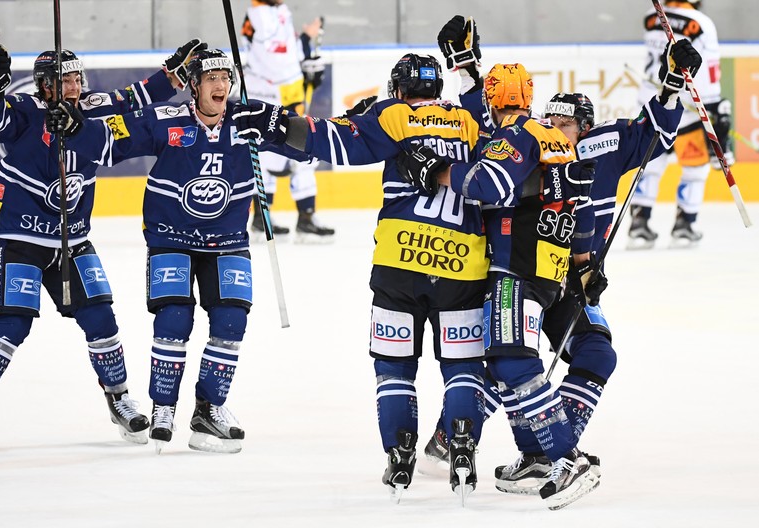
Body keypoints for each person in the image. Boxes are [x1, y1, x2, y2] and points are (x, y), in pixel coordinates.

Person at [234, 48, 490, 502]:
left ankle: (400, 451)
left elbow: (330, 140)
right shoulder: (469, 120)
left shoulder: (390, 115)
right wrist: (471, 68)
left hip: (400, 265)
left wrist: (272, 123)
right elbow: (495, 124)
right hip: (463, 267)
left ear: (399, 89)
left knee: (394, 368)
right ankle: (464, 446)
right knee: (462, 366)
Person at [0, 39, 202, 452]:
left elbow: (137, 95)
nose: (73, 85)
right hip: (20, 240)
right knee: (13, 324)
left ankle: (120, 400)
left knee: (102, 318)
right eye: (64, 80)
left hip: (73, 241)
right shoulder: (27, 113)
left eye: (76, 77)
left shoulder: (92, 108)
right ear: (45, 85)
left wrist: (172, 74)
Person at [54, 48, 311, 455]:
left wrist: (351, 122)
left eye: (225, 77)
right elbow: (109, 143)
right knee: (174, 318)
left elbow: (306, 144)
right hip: (170, 236)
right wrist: (76, 127)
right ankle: (163, 408)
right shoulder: (164, 120)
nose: (221, 85)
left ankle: (209, 409)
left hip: (228, 240)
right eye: (211, 78)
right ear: (193, 85)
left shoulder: (250, 119)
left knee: (230, 323)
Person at [396, 62, 599, 510]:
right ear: (526, 95)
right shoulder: (555, 139)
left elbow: (487, 184)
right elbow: (584, 213)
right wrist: (584, 265)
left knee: (509, 361)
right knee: (509, 362)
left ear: (491, 98)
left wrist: (436, 171)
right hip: (551, 271)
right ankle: (541, 455)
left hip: (514, 266)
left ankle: (566, 457)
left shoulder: (515, 135)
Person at [628, 0, 729, 248]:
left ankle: (639, 222)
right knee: (695, 170)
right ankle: (685, 223)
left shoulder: (652, 15)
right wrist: (715, 106)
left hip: (652, 103)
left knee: (650, 166)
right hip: (687, 112)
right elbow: (709, 73)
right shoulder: (702, 23)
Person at [241, 0, 335, 241]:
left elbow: (285, 52)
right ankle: (270, 217)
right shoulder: (261, 14)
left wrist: (304, 47)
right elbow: (278, 59)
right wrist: (304, 69)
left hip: (280, 95)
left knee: (292, 152)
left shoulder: (274, 11)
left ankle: (295, 216)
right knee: (276, 152)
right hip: (271, 96)